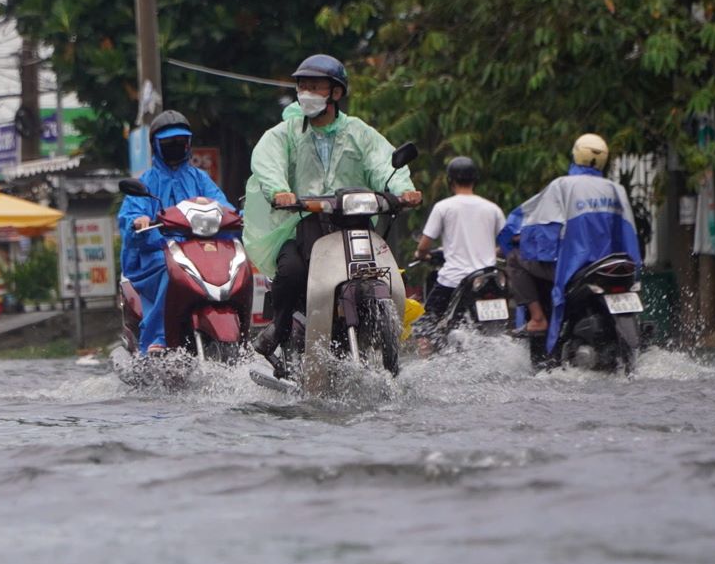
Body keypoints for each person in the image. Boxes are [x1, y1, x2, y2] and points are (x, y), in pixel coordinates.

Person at [245, 54, 421, 366]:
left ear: (336, 93)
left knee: (381, 271)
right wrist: (280, 191)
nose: (306, 93)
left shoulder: (359, 132)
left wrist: (402, 190)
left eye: (315, 87)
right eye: (302, 87)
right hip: (306, 223)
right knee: (291, 270)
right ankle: (280, 327)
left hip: (356, 224)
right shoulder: (285, 133)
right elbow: (267, 161)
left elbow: (383, 162)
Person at [498, 133, 642, 352]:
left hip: (573, 266)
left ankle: (537, 318)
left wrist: (518, 238)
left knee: (515, 258)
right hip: (614, 265)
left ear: (576, 154)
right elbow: (628, 231)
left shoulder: (562, 186)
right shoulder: (616, 189)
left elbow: (542, 228)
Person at [117, 110, 232, 355]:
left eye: (180, 142)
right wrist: (138, 221)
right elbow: (129, 216)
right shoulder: (146, 182)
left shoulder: (200, 179)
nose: (175, 147)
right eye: (168, 143)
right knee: (172, 270)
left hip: (199, 252)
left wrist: (233, 214)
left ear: (188, 143)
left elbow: (223, 205)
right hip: (156, 254)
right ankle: (158, 337)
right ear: (156, 146)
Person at [412, 156, 506, 318]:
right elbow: (506, 245)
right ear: (475, 180)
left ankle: (427, 343)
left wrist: (421, 255)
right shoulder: (493, 209)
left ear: (450, 181)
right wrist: (493, 252)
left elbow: (423, 246)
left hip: (454, 279)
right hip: (489, 280)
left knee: (427, 325)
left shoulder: (443, 207)